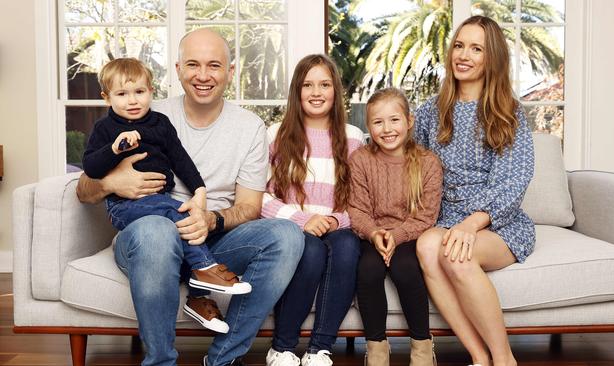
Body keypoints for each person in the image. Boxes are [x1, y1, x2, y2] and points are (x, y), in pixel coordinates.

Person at [76, 28, 304, 366]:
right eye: (193, 64)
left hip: (211, 242)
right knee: (157, 229)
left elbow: (249, 207)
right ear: (179, 68)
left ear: (231, 71)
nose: (202, 75)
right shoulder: (140, 109)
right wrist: (115, 183)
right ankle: (160, 361)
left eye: (214, 65)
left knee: (287, 234)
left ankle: (222, 359)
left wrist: (211, 218)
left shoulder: (249, 127)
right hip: (147, 239)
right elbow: (83, 190)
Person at [82, 58, 251, 334]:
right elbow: (91, 167)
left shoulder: (160, 123)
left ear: (151, 91)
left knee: (181, 213)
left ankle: (198, 293)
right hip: (124, 207)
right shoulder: (106, 129)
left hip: (158, 203)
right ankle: (205, 267)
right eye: (122, 94)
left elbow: (180, 159)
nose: (132, 101)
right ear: (106, 98)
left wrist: (199, 191)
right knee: (176, 210)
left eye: (139, 92)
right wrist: (114, 150)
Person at [414, 16, 535, 366]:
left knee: (456, 254)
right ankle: (480, 357)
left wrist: (470, 225)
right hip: (447, 217)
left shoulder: (507, 112)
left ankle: (504, 359)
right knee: (426, 245)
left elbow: (515, 180)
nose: (463, 55)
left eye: (476, 48)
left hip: (496, 222)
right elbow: (412, 166)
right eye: (459, 45)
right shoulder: (430, 111)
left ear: (491, 58)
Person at [261, 54, 364, 366]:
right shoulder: (276, 134)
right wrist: (303, 220)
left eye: (324, 84)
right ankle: (282, 347)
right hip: (293, 227)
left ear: (335, 91)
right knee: (311, 252)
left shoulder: (353, 137)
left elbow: (360, 201)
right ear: (297, 91)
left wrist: (334, 220)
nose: (316, 92)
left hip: (337, 226)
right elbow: (261, 198)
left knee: (347, 248)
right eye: (308, 85)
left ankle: (320, 348)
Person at [349, 87, 443, 366]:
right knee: (367, 270)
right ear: (368, 126)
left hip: (411, 235)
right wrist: (375, 234)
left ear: (409, 121)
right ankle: (377, 349)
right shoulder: (361, 160)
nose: (387, 129)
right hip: (372, 234)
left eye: (394, 120)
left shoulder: (428, 163)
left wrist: (398, 235)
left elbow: (427, 216)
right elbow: (356, 209)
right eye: (378, 122)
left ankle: (423, 347)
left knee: (405, 268)